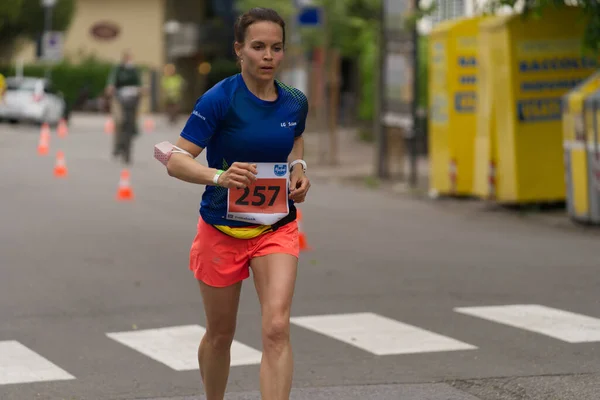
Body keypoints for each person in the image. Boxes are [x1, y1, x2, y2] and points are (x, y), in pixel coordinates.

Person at [165, 7, 310, 400]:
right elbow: (175, 159)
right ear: (239, 50)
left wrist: (298, 168)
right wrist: (219, 177)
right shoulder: (219, 99)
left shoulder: (295, 101)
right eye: (258, 47)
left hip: (276, 226)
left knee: (276, 327)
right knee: (220, 335)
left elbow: (294, 140)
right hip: (221, 228)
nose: (268, 56)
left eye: (276, 48)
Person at [105, 50, 144, 164]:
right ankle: (118, 146)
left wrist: (142, 89)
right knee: (120, 122)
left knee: (131, 123)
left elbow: (140, 84)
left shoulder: (134, 70)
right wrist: (111, 87)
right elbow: (112, 81)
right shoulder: (118, 70)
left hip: (132, 99)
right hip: (119, 99)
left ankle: (128, 144)